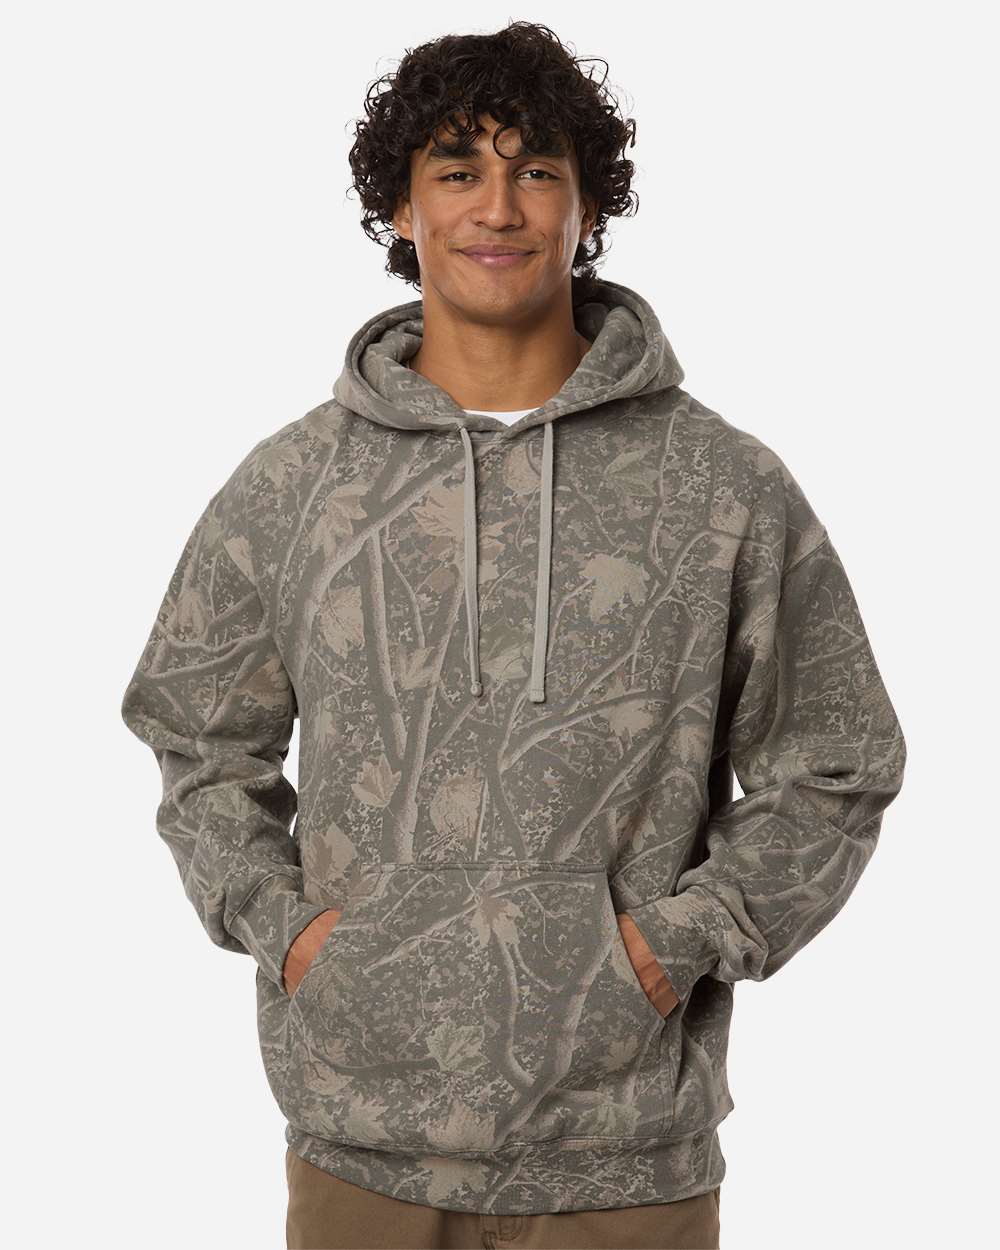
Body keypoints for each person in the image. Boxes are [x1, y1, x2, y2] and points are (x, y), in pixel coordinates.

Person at [120, 20, 907, 1250]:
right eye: (457, 170)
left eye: (536, 169)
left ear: (588, 210)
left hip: (626, 1154)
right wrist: (292, 933)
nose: (497, 206)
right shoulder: (295, 485)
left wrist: (674, 946)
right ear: (400, 209)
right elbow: (195, 735)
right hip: (360, 1137)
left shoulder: (720, 484)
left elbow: (837, 759)